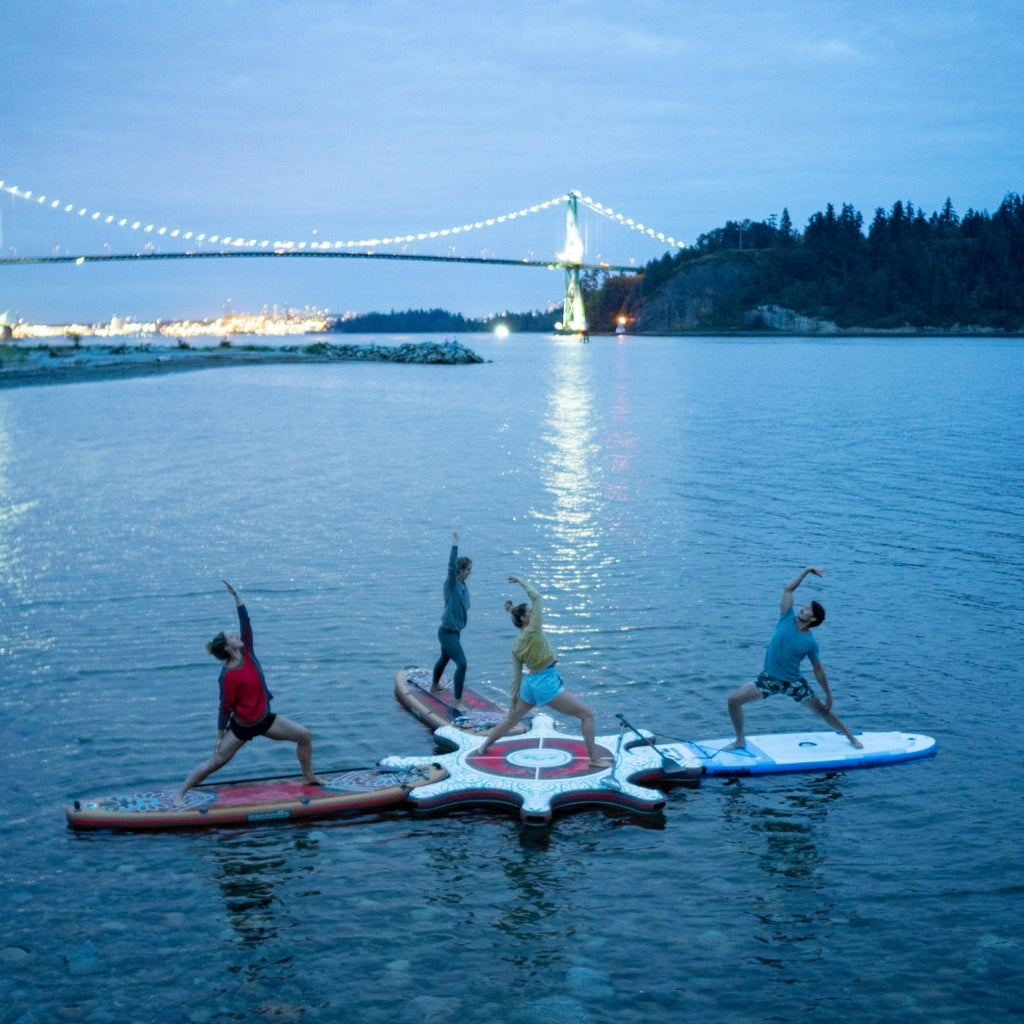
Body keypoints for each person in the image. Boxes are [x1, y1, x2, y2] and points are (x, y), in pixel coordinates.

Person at [177, 580, 324, 804]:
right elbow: (224, 707)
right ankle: (180, 793)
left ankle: (308, 777)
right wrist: (219, 736)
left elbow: (246, 624)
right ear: (228, 648)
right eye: (233, 638)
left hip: (265, 721)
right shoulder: (227, 676)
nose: (238, 637)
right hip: (241, 728)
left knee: (304, 736)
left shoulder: (248, 653)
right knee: (214, 762)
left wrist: (237, 598)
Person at [474, 576, 612, 768]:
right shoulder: (534, 631)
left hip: (530, 684)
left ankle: (484, 747)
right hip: (545, 684)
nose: (533, 614)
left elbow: (516, 677)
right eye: (530, 613)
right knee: (587, 715)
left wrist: (512, 701)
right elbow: (537, 597)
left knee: (511, 719)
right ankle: (594, 759)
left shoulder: (516, 645)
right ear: (524, 619)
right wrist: (520, 581)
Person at [724, 567, 863, 750]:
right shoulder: (786, 618)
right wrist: (806, 571)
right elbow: (788, 589)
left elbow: (818, 670)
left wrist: (828, 693)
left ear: (812, 619)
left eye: (807, 610)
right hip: (769, 679)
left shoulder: (810, 643)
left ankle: (851, 738)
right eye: (804, 607)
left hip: (793, 683)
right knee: (733, 701)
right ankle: (740, 740)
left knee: (822, 710)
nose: (802, 609)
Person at [430, 530, 472, 714]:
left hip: (454, 631)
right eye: (468, 569)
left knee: (445, 658)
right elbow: (450, 567)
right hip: (447, 632)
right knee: (462, 664)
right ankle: (457, 701)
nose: (470, 572)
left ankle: (434, 685)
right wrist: (455, 543)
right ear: (460, 570)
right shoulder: (452, 583)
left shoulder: (462, 585)